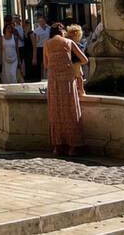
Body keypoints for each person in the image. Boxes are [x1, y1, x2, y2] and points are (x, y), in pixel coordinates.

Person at [43, 23, 87, 156]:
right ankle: (73, 147)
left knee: (55, 112)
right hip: (67, 80)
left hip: (53, 81)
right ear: (62, 32)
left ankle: (57, 146)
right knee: (70, 112)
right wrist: (71, 63)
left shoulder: (47, 44)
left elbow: (46, 64)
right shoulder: (68, 42)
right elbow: (84, 59)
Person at [0, 17, 23, 84]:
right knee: (6, 74)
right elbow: (0, 49)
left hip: (14, 58)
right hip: (5, 58)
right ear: (5, 29)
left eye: (10, 28)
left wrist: (19, 60)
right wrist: (0, 60)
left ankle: (14, 87)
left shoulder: (15, 37)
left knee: (12, 74)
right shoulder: (1, 38)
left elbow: (17, 49)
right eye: (8, 28)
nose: (9, 29)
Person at [31, 16, 50, 80]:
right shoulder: (36, 31)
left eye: (42, 21)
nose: (41, 22)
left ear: (45, 21)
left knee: (49, 63)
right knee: (42, 64)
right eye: (39, 21)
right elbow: (34, 45)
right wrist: (34, 57)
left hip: (48, 47)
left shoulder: (49, 28)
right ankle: (42, 78)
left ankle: (48, 76)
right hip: (40, 48)